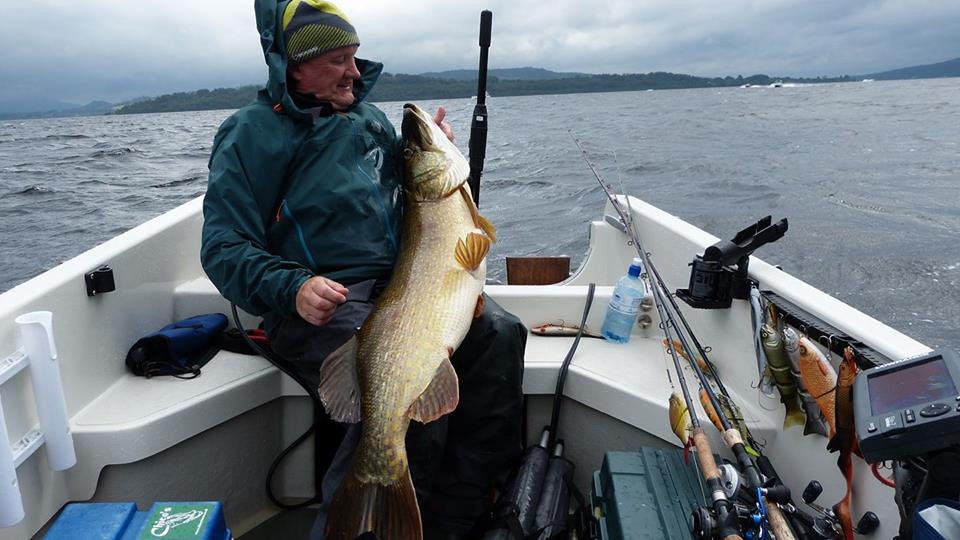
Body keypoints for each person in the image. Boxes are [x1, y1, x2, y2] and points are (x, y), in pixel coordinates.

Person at [200, 1, 527, 538]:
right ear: (292, 66)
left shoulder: (371, 122)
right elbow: (222, 246)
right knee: (397, 387)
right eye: (336, 61)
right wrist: (294, 287)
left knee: (499, 334)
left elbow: (420, 206)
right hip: (318, 302)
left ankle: (455, 517)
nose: (355, 71)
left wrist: (430, 148)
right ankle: (363, 526)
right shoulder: (249, 135)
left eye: (354, 57)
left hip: (402, 290)